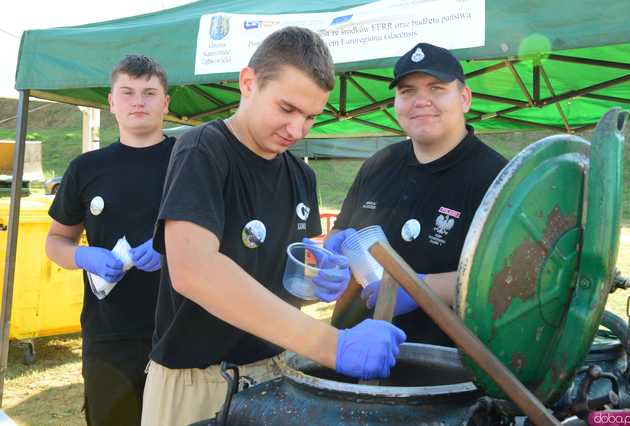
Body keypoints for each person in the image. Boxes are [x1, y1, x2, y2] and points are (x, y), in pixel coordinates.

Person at [140, 26, 405, 426]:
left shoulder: (301, 174)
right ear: (249, 83)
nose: (298, 130)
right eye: (286, 109)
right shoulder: (203, 150)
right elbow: (194, 271)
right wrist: (331, 344)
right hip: (200, 383)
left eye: (311, 117)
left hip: (277, 371)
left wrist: (319, 271)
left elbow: (279, 263)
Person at [321, 42, 508, 346]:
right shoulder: (379, 164)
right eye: (407, 92)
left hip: (439, 367)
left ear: (465, 98)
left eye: (436, 88)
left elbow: (506, 277)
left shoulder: (496, 177)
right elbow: (343, 228)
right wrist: (333, 248)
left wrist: (419, 288)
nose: (421, 101)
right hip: (351, 349)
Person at [45, 55, 175, 425]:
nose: (139, 101)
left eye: (150, 92)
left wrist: (172, 249)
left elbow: (220, 235)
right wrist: (85, 256)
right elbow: (56, 241)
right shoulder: (86, 168)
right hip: (109, 336)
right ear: (112, 102)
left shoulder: (188, 160)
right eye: (128, 92)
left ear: (165, 102)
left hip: (178, 330)